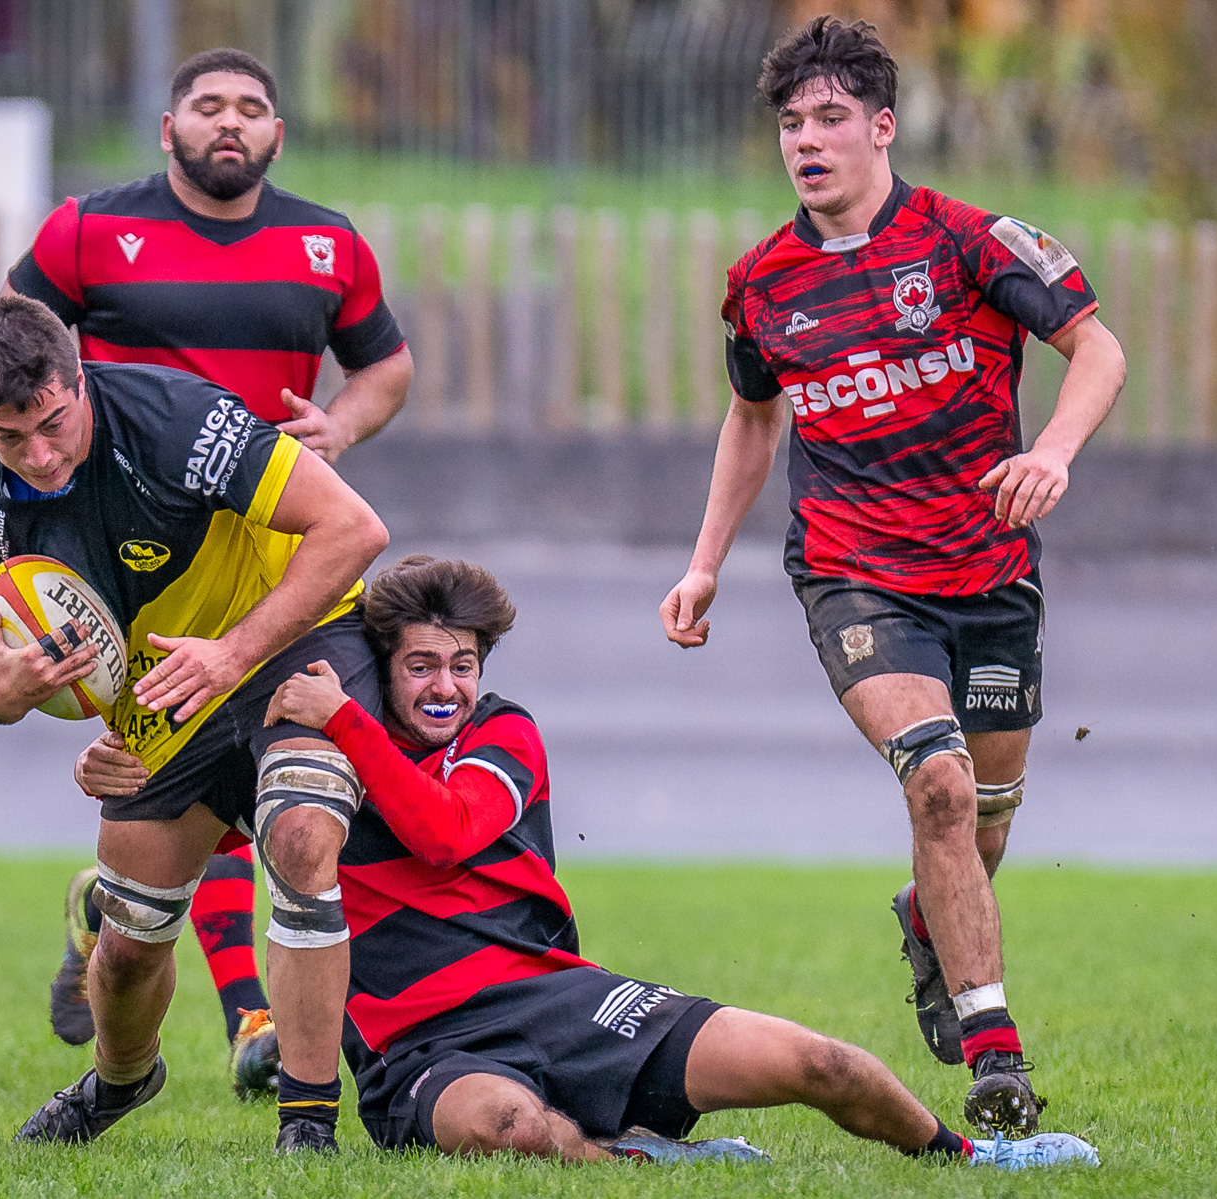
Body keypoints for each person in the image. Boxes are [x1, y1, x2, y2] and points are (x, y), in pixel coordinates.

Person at [219, 554, 1091, 1169]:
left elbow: (446, 830)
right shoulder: (328, 766)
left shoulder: (501, 732)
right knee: (511, 1127)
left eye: (463, 663)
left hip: (557, 995)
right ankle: (635, 1157)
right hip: (419, 1049)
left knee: (820, 1064)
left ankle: (974, 1156)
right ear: (383, 669)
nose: (446, 686)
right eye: (420, 666)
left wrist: (345, 720)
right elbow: (223, 813)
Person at [658, 17, 1126, 1137]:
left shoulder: (972, 244)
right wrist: (704, 562)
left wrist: (1050, 451)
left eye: (828, 119)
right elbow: (752, 414)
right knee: (940, 784)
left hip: (991, 571)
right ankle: (994, 1054)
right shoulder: (763, 284)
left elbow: (1098, 348)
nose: (806, 142)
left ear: (882, 126)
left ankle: (930, 918)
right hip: (854, 571)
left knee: (989, 817)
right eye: (789, 124)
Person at [5, 46, 412, 1086]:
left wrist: (344, 423)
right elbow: (10, 348)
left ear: (278, 132)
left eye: (251, 107)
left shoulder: (327, 243)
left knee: (255, 768)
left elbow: (387, 362)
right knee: (197, 775)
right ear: (167, 126)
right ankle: (217, 992)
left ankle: (222, 998)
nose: (228, 121)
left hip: (278, 549)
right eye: (206, 104)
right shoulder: (90, 231)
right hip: (139, 562)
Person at [0, 295, 389, 1153]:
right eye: (9, 438)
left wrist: (231, 653)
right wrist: (4, 696)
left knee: (300, 837)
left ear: (79, 380)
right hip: (164, 705)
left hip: (293, 635)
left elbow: (353, 528)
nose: (38, 455)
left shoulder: (176, 419)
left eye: (53, 424)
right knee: (129, 947)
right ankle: (121, 1079)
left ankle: (307, 1118)